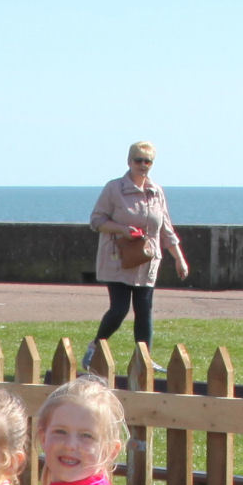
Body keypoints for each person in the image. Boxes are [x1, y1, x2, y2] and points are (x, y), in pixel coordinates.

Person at [85, 141, 188, 373]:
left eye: (148, 161)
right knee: (119, 309)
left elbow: (166, 228)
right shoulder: (114, 189)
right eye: (138, 160)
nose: (143, 165)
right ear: (129, 161)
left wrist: (179, 258)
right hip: (118, 259)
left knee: (144, 311)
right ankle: (95, 346)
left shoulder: (156, 191)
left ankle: (144, 358)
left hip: (147, 262)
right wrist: (122, 229)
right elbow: (96, 220)